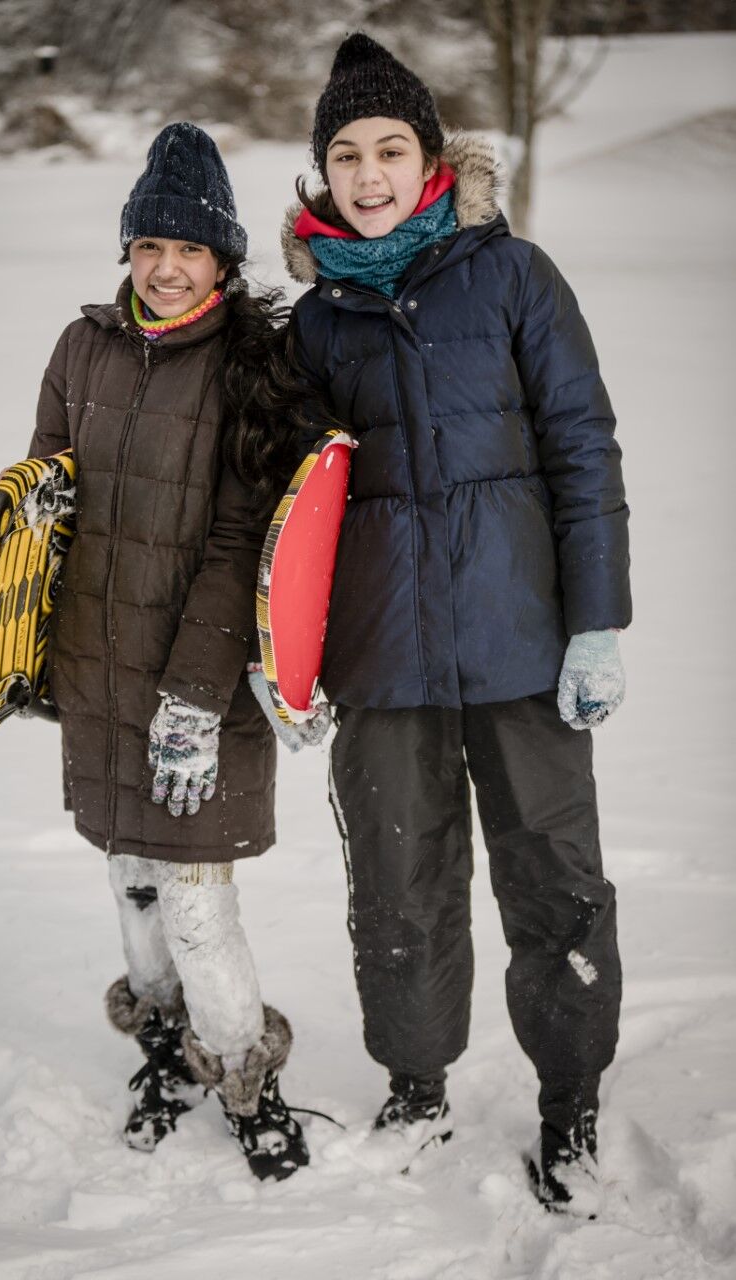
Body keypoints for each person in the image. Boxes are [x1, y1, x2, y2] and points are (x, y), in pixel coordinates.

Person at [280, 33, 630, 1216]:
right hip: (378, 661)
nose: (367, 173)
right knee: (397, 880)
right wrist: (286, 657)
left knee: (555, 879)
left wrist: (598, 621)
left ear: (432, 159)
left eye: (389, 148)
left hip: (523, 644)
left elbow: (583, 446)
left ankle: (568, 1103)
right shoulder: (315, 324)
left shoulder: (514, 275)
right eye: (345, 152)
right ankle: (416, 1085)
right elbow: (282, 507)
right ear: (321, 171)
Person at [25, 121, 323, 1182]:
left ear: (222, 261)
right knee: (133, 885)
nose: (163, 266)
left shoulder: (252, 364)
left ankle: (245, 1073)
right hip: (96, 675)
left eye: (186, 249)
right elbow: (45, 499)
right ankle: (161, 1049)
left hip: (195, 684)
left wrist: (195, 697)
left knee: (199, 905)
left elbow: (249, 544)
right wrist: (19, 631)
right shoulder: (82, 348)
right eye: (148, 245)